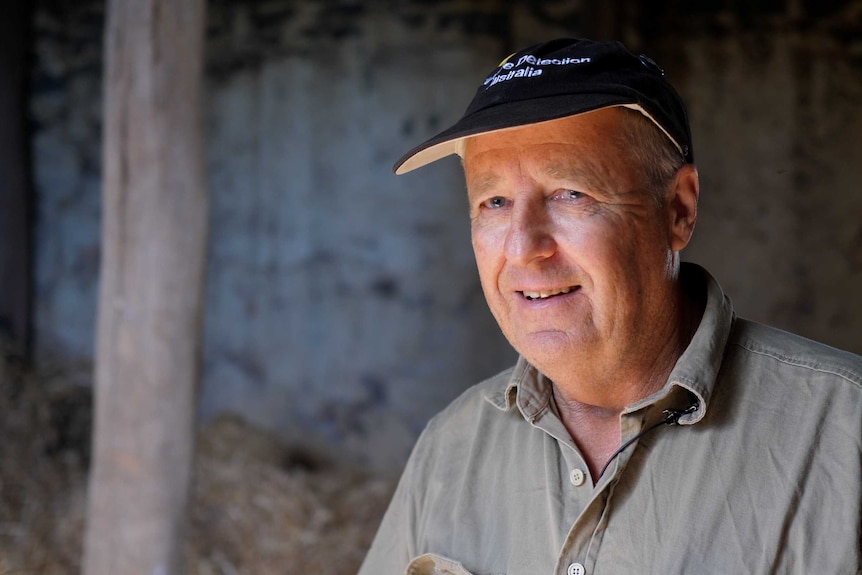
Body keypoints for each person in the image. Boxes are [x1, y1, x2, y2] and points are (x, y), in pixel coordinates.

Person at [359, 38, 862, 575]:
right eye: (495, 202)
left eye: (571, 193)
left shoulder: (845, 433)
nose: (524, 246)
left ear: (678, 210)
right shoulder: (448, 449)